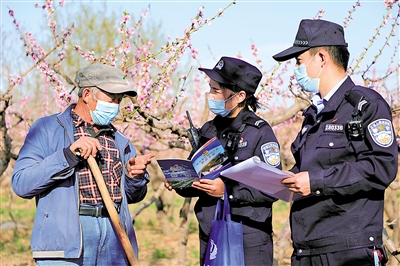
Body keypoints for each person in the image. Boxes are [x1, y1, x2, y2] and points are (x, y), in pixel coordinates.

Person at [273, 19, 398, 265]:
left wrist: (316, 181)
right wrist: (284, 179)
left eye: (298, 62)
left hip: (348, 252)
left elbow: (382, 166)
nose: (295, 70)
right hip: (307, 249)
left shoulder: (365, 106)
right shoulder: (313, 113)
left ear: (321, 58)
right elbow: (308, 167)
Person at [12, 64, 155, 265]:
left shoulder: (120, 141)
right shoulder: (47, 129)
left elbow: (132, 197)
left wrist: (135, 177)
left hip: (115, 238)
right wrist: (68, 156)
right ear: (87, 94)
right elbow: (22, 184)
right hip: (67, 241)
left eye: (119, 100)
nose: (115, 105)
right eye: (111, 98)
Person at [165, 56, 282, 265]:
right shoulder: (209, 130)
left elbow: (272, 186)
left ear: (239, 96)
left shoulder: (259, 132)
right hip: (211, 234)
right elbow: (196, 175)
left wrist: (228, 192)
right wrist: (180, 181)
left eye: (216, 90)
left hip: (248, 239)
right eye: (210, 88)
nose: (210, 95)